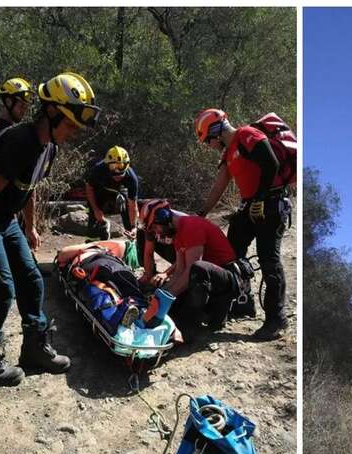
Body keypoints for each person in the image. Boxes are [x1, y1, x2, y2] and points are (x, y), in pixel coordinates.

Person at [0, 72, 101, 385]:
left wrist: (31, 228)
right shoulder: (21, 141)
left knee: (32, 279)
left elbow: (29, 187)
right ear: (50, 113)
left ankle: (35, 348)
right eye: (70, 123)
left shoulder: (49, 148)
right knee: (0, 288)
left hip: (5, 217)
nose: (74, 131)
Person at [195, 108, 291, 340]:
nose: (209, 145)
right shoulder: (229, 154)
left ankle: (276, 319)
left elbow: (271, 164)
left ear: (216, 131)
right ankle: (242, 302)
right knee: (231, 253)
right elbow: (218, 187)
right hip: (249, 206)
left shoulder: (247, 135)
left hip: (271, 203)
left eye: (208, 139)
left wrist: (259, 198)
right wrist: (201, 214)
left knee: (269, 259)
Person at [145, 204, 249, 341]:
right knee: (171, 301)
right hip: (212, 280)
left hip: (229, 278)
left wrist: (166, 297)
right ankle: (199, 316)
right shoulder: (177, 235)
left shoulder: (191, 226)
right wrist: (161, 294)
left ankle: (188, 329)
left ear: (164, 219)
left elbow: (191, 269)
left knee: (197, 269)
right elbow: (179, 271)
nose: (157, 233)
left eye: (155, 227)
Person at [84, 145, 139, 241]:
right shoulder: (98, 170)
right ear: (107, 164)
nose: (118, 171)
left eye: (122, 167)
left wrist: (134, 227)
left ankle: (131, 238)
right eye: (114, 167)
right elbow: (89, 188)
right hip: (100, 191)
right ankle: (102, 233)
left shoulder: (131, 178)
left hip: (120, 193)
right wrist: (96, 210)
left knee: (126, 206)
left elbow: (132, 204)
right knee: (92, 230)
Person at [0, 77, 34, 142]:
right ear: (9, 102)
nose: (24, 111)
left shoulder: (9, 130)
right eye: (21, 106)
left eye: (26, 107)